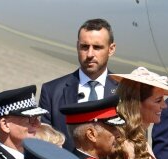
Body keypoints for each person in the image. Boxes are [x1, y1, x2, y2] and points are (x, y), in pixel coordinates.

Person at [39, 18, 118, 149]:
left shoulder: (126, 92)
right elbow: (44, 144)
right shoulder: (52, 92)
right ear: (77, 46)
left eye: (97, 47)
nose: (90, 54)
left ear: (111, 49)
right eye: (84, 47)